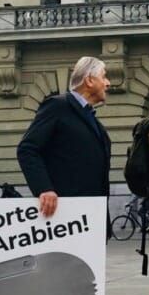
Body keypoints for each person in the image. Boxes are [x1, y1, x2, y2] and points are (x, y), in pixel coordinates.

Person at [17, 57, 111, 218]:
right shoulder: (57, 106)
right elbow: (27, 149)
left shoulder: (92, 119)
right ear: (89, 80)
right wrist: (44, 189)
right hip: (65, 216)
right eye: (103, 77)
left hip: (91, 215)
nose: (108, 83)